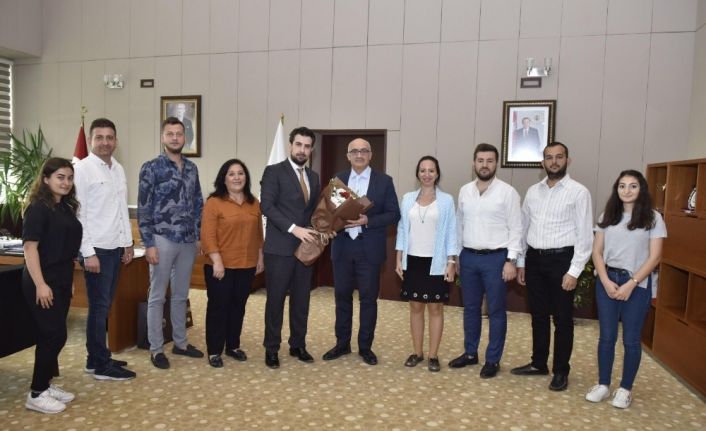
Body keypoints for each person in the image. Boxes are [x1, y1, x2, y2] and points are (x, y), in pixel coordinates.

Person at [511, 141, 593, 391]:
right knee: (538, 315)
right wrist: (522, 262)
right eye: (549, 157)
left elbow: (585, 237)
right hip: (535, 260)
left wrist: (574, 271)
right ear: (542, 162)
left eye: (559, 157)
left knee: (563, 319)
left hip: (562, 261)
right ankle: (539, 363)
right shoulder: (533, 192)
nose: (554, 161)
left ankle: (560, 371)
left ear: (568, 160)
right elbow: (524, 228)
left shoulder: (579, 192)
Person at [585, 170, 666, 408]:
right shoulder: (608, 215)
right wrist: (605, 280)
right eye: (622, 186)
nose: (627, 190)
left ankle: (625, 389)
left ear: (641, 189)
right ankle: (603, 384)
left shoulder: (653, 218)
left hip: (637, 283)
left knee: (630, 340)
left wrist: (631, 284)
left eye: (633, 186)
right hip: (608, 280)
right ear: (616, 189)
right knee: (606, 337)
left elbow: (655, 257)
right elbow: (596, 252)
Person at [322, 138, 400, 365]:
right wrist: (329, 226)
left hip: (369, 249)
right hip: (343, 247)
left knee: (368, 300)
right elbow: (329, 213)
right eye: (354, 151)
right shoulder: (339, 180)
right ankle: (342, 344)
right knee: (342, 297)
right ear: (348, 156)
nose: (359, 155)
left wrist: (369, 220)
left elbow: (394, 214)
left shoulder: (383, 181)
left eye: (364, 151)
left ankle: (365, 347)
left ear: (370, 155)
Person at [450, 143, 522, 378]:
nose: (485, 165)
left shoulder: (508, 192)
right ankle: (470, 353)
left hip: (496, 259)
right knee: (470, 309)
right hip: (468, 257)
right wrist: (456, 256)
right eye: (480, 160)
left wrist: (511, 260)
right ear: (474, 163)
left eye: (489, 161)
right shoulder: (465, 191)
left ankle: (493, 360)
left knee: (496, 311)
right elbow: (459, 225)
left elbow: (516, 228)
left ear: (496, 163)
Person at [138, 116, 205, 369]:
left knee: (181, 295)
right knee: (157, 296)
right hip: (162, 238)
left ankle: (180, 343)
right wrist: (149, 244)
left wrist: (198, 235)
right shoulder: (151, 168)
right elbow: (143, 208)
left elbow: (198, 203)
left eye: (179, 134)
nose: (175, 138)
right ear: (162, 137)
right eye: (170, 134)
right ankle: (156, 349)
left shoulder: (192, 168)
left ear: (184, 137)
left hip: (187, 240)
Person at [74, 118, 136, 381]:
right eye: (99, 137)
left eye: (109, 137)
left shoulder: (118, 169)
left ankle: (95, 358)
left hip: (114, 247)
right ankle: (101, 365)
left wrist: (127, 243)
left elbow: (121, 209)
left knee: (104, 306)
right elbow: (79, 214)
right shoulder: (82, 169)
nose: (105, 142)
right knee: (99, 308)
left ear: (116, 141)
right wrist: (88, 252)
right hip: (96, 249)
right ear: (90, 140)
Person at [21, 158, 82, 413]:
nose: (66, 182)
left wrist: (69, 282)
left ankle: (45, 384)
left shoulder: (65, 207)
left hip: (61, 279)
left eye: (69, 178)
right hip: (42, 280)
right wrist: (40, 284)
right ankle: (36, 393)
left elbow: (67, 250)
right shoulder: (38, 208)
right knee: (54, 335)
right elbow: (30, 248)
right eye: (60, 177)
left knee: (54, 334)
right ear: (46, 179)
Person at [260, 126, 321, 369]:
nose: (302, 150)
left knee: (301, 300)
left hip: (305, 250)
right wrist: (294, 229)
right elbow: (267, 206)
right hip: (279, 249)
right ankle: (271, 348)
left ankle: (298, 344)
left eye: (307, 146)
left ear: (311, 149)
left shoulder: (314, 177)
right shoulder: (274, 171)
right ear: (290, 145)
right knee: (275, 301)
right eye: (298, 145)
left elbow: (314, 212)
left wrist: (324, 227)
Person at [395, 156, 456, 372]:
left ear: (437, 174)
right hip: (412, 260)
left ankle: (433, 355)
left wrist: (451, 261)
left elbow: (451, 232)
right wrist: (398, 257)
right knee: (415, 306)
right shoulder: (407, 198)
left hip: (436, 261)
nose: (427, 174)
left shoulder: (446, 200)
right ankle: (417, 352)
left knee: (436, 308)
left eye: (431, 170)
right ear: (417, 173)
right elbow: (402, 229)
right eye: (423, 170)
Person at [201, 159, 264, 368]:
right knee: (219, 307)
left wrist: (260, 257)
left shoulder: (254, 203)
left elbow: (258, 233)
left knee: (238, 306)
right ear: (224, 179)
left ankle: (233, 346)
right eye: (231, 174)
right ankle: (214, 350)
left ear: (246, 177)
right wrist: (217, 261)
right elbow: (208, 235)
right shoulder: (214, 202)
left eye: (240, 173)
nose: (237, 177)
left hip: (246, 264)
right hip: (220, 265)